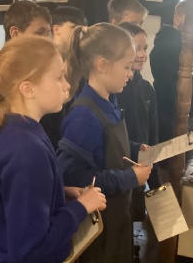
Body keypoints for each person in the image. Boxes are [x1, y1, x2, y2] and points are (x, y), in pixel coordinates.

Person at [0, 36, 106, 263]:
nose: (67, 85)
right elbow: (31, 248)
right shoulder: (26, 150)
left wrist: (59, 192)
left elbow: (12, 195)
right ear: (27, 89)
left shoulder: (12, 126)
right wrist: (81, 207)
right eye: (59, 77)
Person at [56, 23, 152, 263]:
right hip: (100, 224)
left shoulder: (110, 101)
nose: (130, 74)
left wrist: (134, 148)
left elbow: (108, 146)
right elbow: (74, 176)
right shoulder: (84, 116)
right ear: (102, 65)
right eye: (126, 67)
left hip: (118, 213)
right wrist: (129, 178)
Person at [117, 22, 161, 263]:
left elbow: (152, 137)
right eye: (137, 48)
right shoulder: (116, 90)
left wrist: (156, 184)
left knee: (135, 212)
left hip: (142, 164)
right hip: (121, 167)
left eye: (145, 48)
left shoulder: (146, 89)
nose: (143, 54)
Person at [150, 0, 193, 144]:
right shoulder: (166, 45)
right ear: (177, 19)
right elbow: (168, 86)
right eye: (192, 22)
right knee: (173, 155)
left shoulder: (185, 43)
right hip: (171, 115)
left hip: (187, 112)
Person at [40, 6, 87, 150]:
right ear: (56, 29)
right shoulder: (42, 60)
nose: (78, 33)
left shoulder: (79, 61)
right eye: (73, 27)